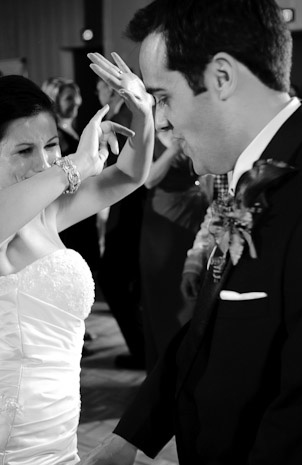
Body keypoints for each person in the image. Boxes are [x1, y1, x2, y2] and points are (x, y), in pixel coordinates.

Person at [64, 1, 302, 465]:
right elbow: (209, 327)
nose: (163, 125)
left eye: (164, 98)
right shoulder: (257, 176)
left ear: (221, 77)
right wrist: (135, 432)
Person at [0, 63, 153, 465]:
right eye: (24, 151)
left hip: (56, 433)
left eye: (51, 146)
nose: (44, 162)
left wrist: (142, 112)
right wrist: (75, 166)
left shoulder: (48, 212)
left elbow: (129, 175)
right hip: (3, 440)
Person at [140, 129, 208, 370]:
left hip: (196, 213)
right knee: (164, 295)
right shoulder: (150, 136)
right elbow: (148, 180)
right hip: (164, 223)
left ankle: (188, 361)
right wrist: (176, 147)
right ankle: (163, 365)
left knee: (190, 292)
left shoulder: (194, 127)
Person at [95, 77, 147, 369]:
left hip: (128, 207)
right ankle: (142, 347)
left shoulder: (124, 116)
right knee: (125, 283)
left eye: (101, 86)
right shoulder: (123, 114)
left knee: (113, 279)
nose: (96, 91)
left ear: (113, 90)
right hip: (125, 206)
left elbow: (118, 166)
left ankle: (141, 349)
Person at [42, 77, 101, 273]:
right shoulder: (55, 134)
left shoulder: (73, 129)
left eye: (76, 97)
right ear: (55, 101)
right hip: (69, 205)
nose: (76, 102)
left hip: (83, 201)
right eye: (69, 98)